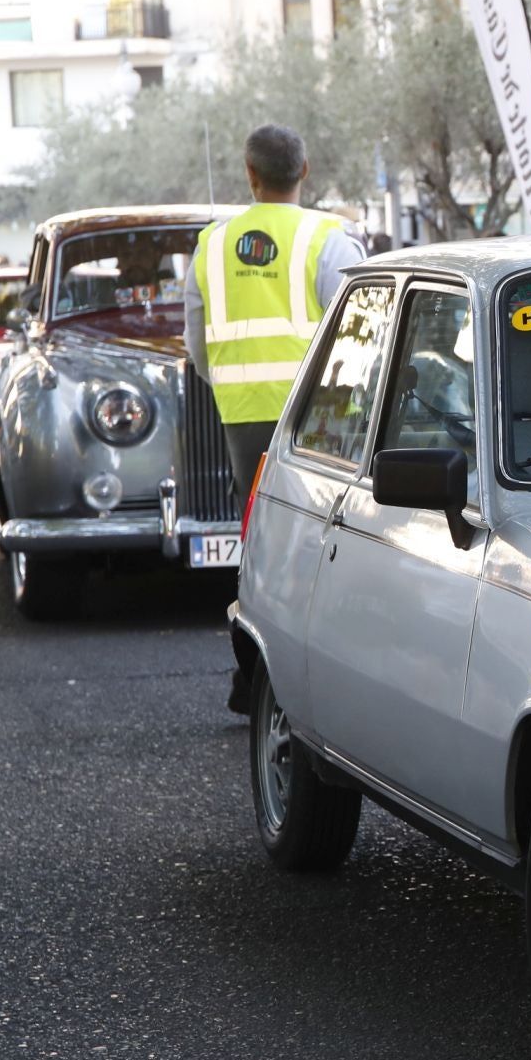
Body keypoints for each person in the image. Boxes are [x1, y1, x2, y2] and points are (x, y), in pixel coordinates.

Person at [184, 123, 363, 714]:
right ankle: (324, 680)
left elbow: (196, 348)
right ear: (304, 171)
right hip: (325, 416)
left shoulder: (212, 245)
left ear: (250, 174)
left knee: (261, 546)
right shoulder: (329, 239)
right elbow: (361, 334)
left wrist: (236, 384)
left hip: (245, 414)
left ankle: (255, 678)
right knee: (326, 540)